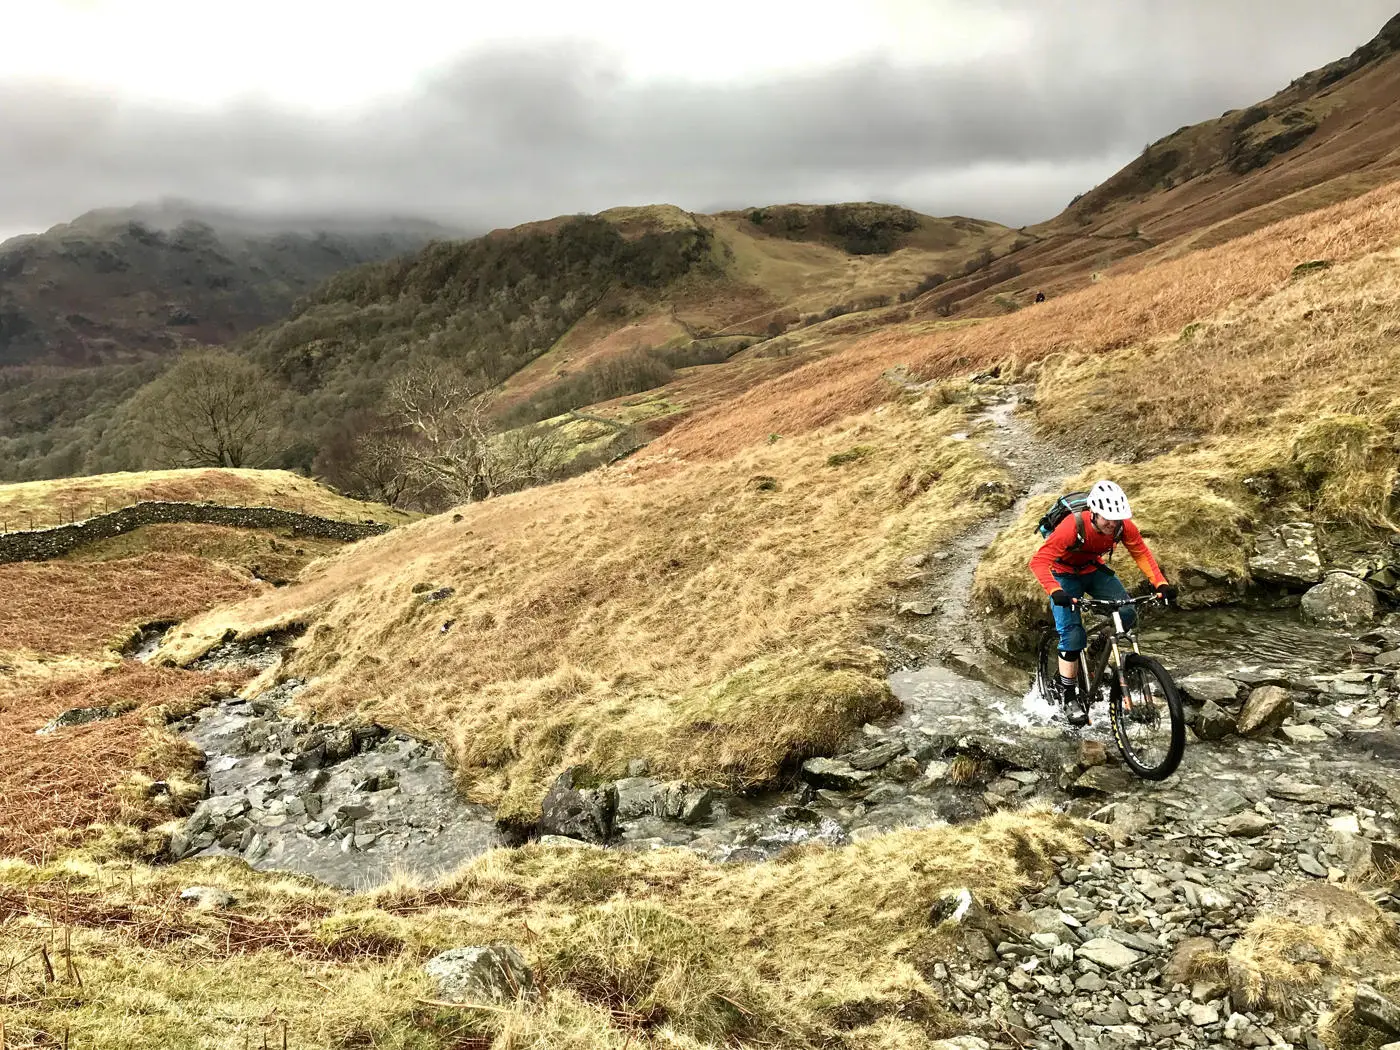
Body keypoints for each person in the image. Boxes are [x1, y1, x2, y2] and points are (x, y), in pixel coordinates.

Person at [1029, 480, 1176, 725]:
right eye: (1107, 518)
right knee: (1073, 637)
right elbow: (1039, 562)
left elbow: (1140, 551)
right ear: (1094, 513)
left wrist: (1159, 583)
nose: (1112, 524)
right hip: (1063, 574)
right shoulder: (1071, 527)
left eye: (1117, 519)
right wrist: (1055, 590)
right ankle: (1069, 696)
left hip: (1093, 570)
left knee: (1128, 613)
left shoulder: (1122, 527)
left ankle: (1099, 647)